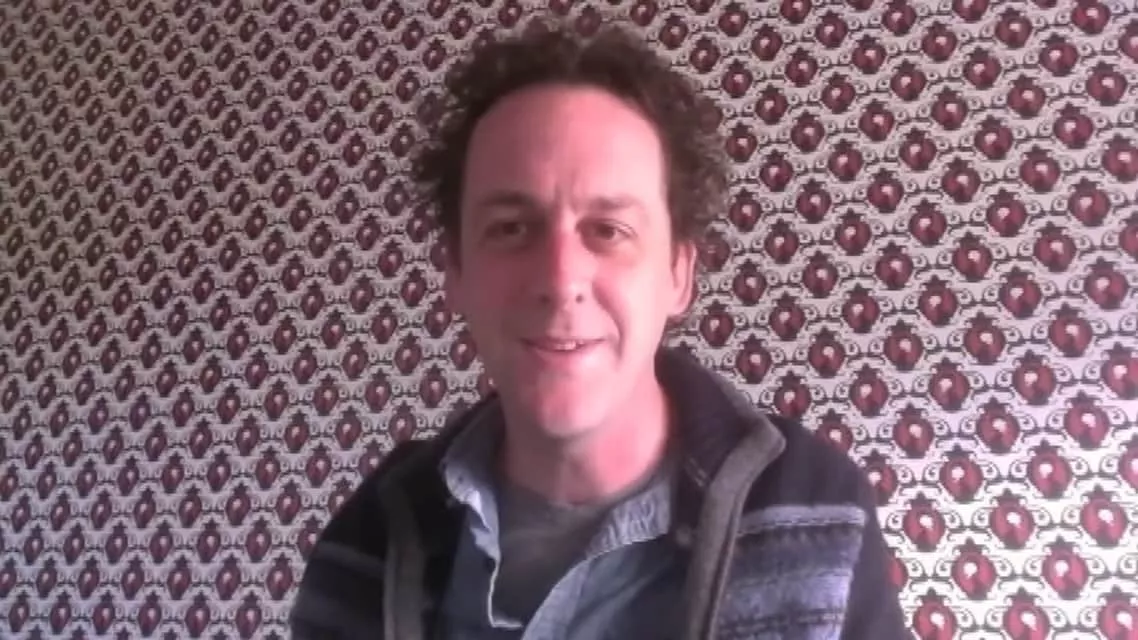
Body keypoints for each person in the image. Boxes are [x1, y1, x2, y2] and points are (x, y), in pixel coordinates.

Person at [290, 19, 909, 640]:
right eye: (510, 228)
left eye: (609, 230)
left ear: (679, 275)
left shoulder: (819, 508)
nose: (561, 279)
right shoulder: (367, 540)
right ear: (455, 272)